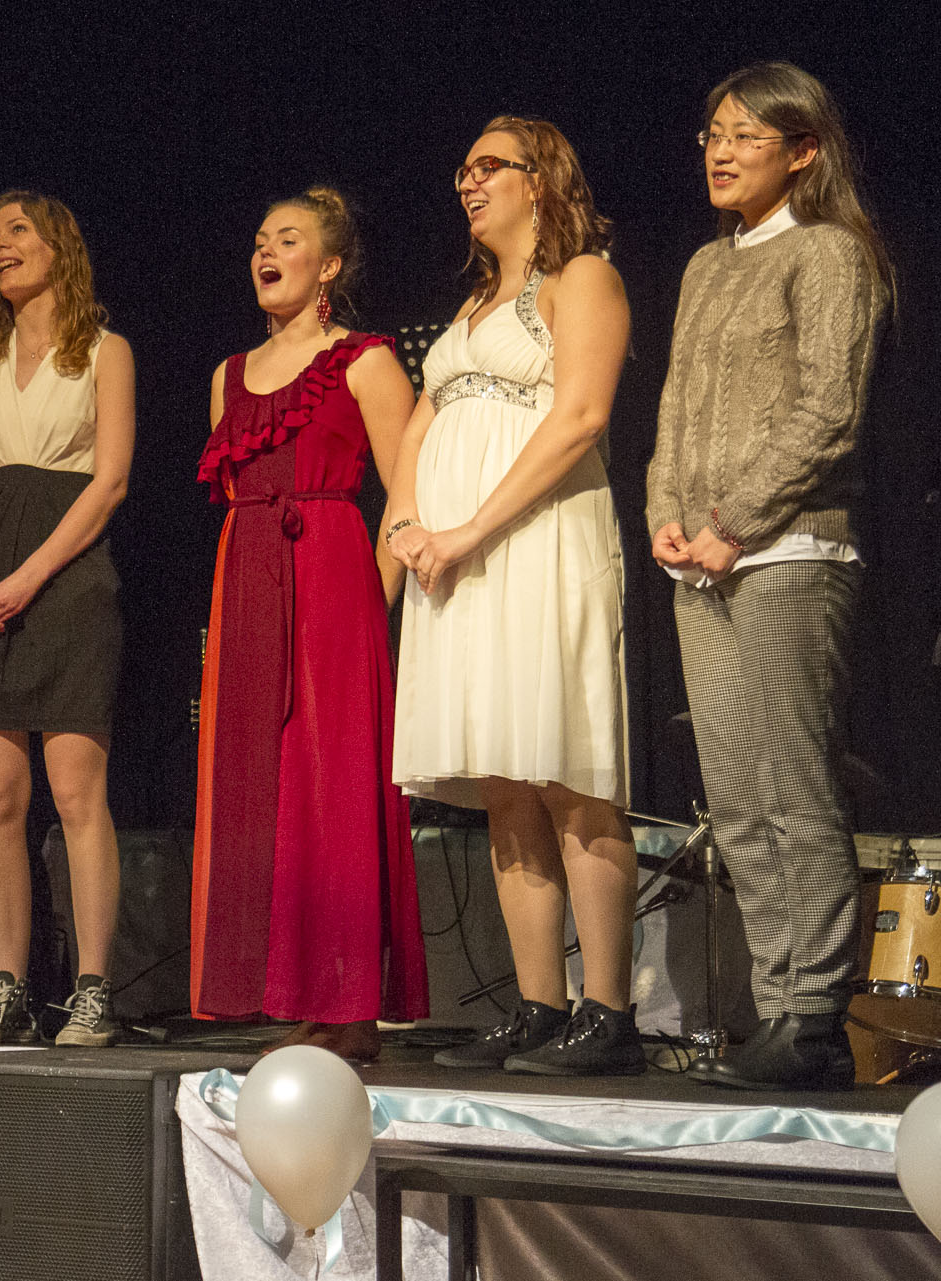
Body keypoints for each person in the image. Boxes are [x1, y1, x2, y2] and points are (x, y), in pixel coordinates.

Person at [648, 64, 891, 1091]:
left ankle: (815, 1014)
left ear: (802, 150)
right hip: (700, 562)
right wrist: (665, 512)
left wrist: (734, 523)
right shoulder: (706, 266)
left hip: (788, 551)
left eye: (746, 135)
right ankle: (774, 1003)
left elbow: (827, 410)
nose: (721, 150)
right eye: (712, 132)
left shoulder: (827, 251)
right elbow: (672, 406)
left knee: (793, 787)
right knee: (737, 797)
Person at [385, 117, 641, 1075]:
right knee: (504, 780)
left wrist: (467, 530)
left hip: (539, 543)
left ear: (542, 179)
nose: (468, 180)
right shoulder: (470, 308)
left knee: (566, 768)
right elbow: (418, 429)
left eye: (488, 165)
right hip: (458, 560)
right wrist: (407, 524)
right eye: (463, 167)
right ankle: (539, 1005)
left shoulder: (582, 278)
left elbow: (580, 416)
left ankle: (608, 1013)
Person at [189, 189, 428, 1061]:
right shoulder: (228, 374)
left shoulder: (364, 360)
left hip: (332, 570)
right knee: (257, 785)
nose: (266, 251)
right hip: (247, 573)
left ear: (328, 265)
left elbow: (409, 492)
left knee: (333, 784)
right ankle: (281, 989)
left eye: (287, 239)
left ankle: (349, 999)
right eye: (260, 239)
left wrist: (376, 598)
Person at [0, 191, 133, 1047]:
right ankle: (8, 988)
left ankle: (92, 989)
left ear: (59, 245)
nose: (0, 245)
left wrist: (31, 574)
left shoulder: (106, 351)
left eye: (17, 230)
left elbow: (110, 481)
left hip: (67, 577)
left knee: (77, 791)